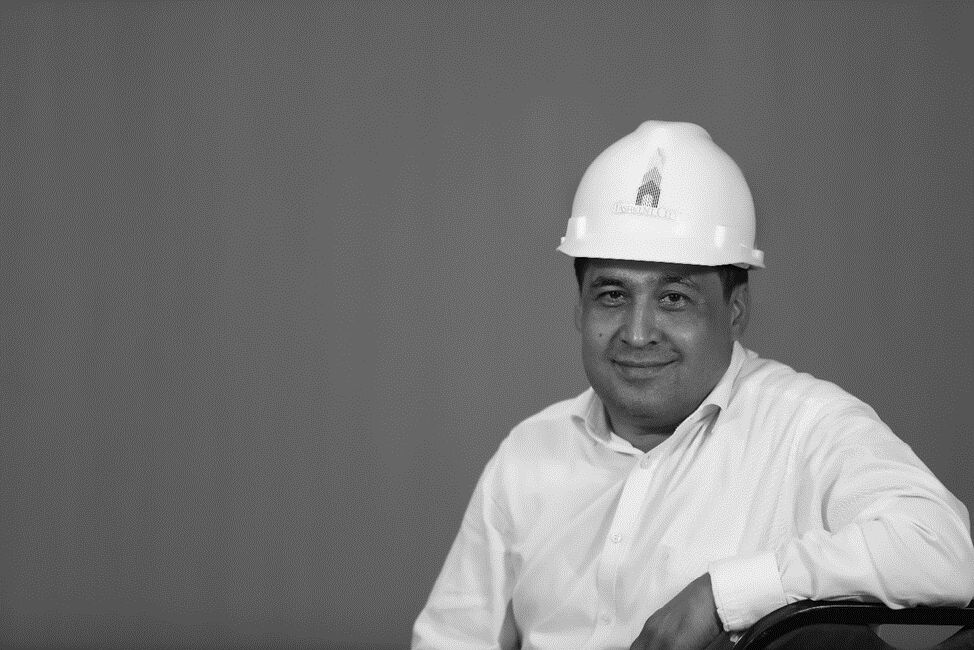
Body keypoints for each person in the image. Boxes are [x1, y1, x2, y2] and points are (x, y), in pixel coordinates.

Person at [412, 121, 974, 649]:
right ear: (579, 309)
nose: (637, 333)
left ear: (735, 311)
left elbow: (943, 551)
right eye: (612, 295)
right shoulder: (529, 453)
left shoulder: (807, 427)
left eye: (674, 298)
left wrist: (724, 596)